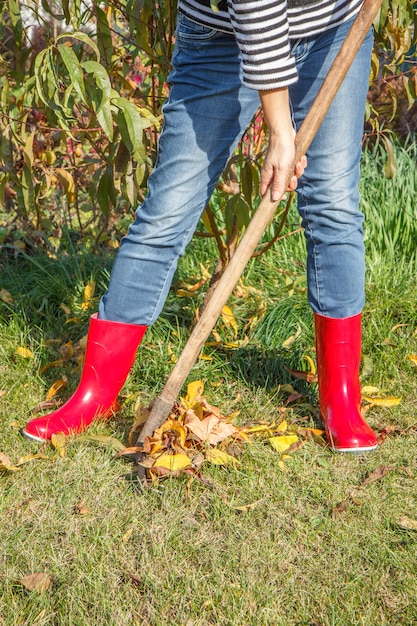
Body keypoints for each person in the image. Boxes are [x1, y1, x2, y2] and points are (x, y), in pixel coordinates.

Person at [22, 0, 378, 452]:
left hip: (335, 28)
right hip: (224, 37)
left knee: (333, 204)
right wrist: (280, 129)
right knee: (168, 211)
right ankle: (94, 396)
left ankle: (341, 402)